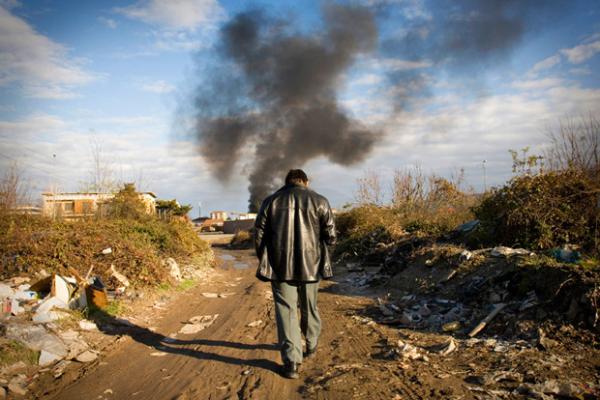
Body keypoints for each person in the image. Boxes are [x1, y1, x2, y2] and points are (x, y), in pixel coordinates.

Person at [254, 169, 336, 379]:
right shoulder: (320, 201)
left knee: (286, 311)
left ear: (287, 182)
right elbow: (331, 236)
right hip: (312, 266)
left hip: (280, 268)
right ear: (305, 182)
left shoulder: (271, 201)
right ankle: (312, 343)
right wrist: (321, 255)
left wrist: (266, 259)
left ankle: (291, 362)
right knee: (309, 305)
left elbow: (259, 235)